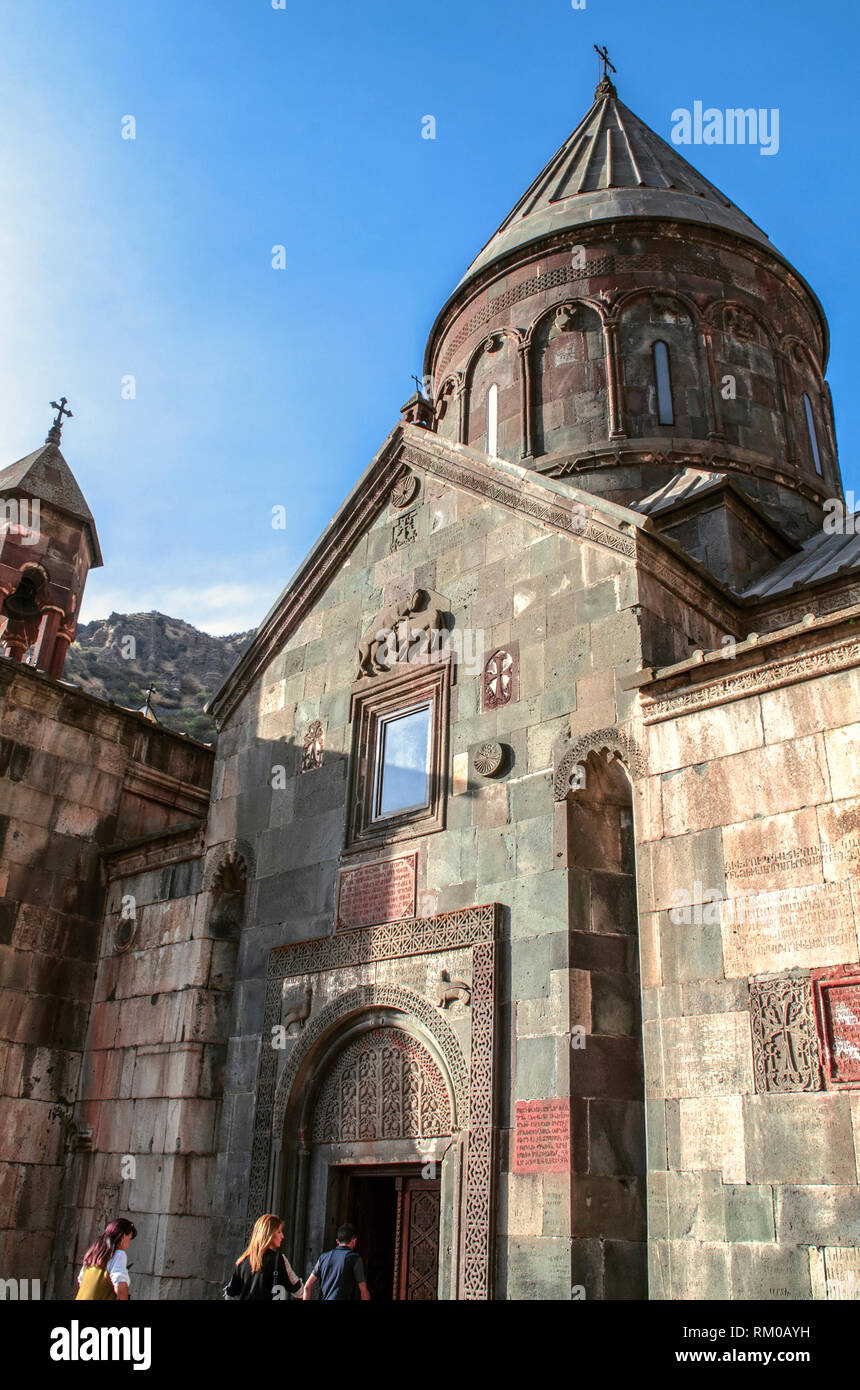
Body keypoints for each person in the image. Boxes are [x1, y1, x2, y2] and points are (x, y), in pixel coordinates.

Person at [223, 1213, 303, 1300]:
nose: (282, 1236)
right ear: (268, 1234)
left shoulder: (243, 1260)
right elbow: (298, 1291)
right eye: (279, 1232)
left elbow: (229, 1294)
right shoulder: (279, 1260)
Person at [302, 1224, 371, 1301]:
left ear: (337, 1241)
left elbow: (307, 1287)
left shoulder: (323, 1257)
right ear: (354, 1241)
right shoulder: (354, 1259)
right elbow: (363, 1290)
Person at [75, 1218, 137, 1300]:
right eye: (129, 1238)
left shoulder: (93, 1253)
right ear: (122, 1237)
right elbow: (120, 1286)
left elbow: (81, 1281)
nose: (129, 1243)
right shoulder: (119, 1255)